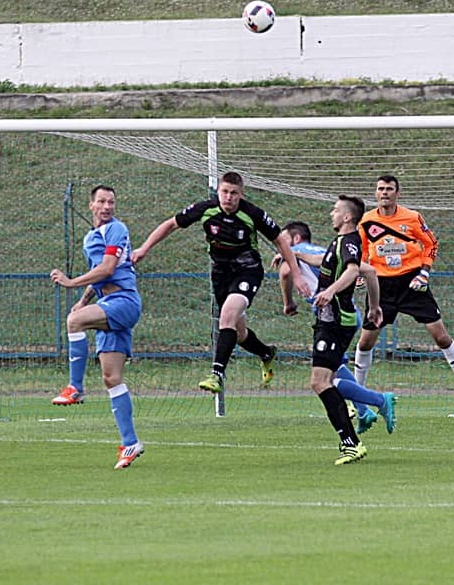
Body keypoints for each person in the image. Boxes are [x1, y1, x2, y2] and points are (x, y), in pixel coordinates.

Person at [131, 171, 309, 393]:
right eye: (225, 192)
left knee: (227, 316)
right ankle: (266, 353)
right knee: (239, 334)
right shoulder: (206, 209)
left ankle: (216, 375)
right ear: (218, 191)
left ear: (241, 194)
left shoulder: (252, 214)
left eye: (234, 193)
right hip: (221, 275)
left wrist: (297, 275)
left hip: (248, 271)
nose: (228, 197)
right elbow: (171, 224)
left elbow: (280, 241)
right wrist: (144, 248)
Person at [355, 174, 454, 416]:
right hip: (380, 286)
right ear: (375, 193)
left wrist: (424, 273)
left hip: (411, 283)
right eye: (381, 188)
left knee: (441, 336)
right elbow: (363, 249)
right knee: (365, 341)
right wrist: (361, 271)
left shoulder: (412, 217)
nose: (384, 192)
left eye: (389, 189)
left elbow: (431, 244)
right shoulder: (366, 221)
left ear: (397, 193)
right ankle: (357, 398)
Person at [50, 185, 144, 470]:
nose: (106, 206)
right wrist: (82, 300)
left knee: (74, 321)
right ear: (91, 205)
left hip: (124, 301)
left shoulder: (116, 229)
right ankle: (130, 443)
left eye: (111, 202)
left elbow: (107, 269)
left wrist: (70, 283)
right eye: (101, 202)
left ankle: (75, 387)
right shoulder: (91, 237)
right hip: (108, 303)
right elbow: (98, 277)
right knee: (111, 378)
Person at [273, 220, 397, 434]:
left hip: (334, 316)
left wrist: (288, 302)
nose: (280, 243)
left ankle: (379, 400)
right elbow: (366, 270)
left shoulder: (293, 253)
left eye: (283, 238)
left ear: (296, 238)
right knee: (333, 370)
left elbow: (285, 273)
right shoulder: (326, 251)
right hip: (348, 313)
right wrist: (373, 306)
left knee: (324, 380)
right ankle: (364, 411)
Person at [306, 195, 383, 464]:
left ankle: (352, 441)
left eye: (336, 210)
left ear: (347, 217)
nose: (332, 214)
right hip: (329, 319)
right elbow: (325, 262)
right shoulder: (339, 242)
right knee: (323, 381)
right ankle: (353, 437)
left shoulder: (349, 241)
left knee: (320, 382)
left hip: (336, 320)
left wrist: (330, 291)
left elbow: (352, 271)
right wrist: (293, 254)